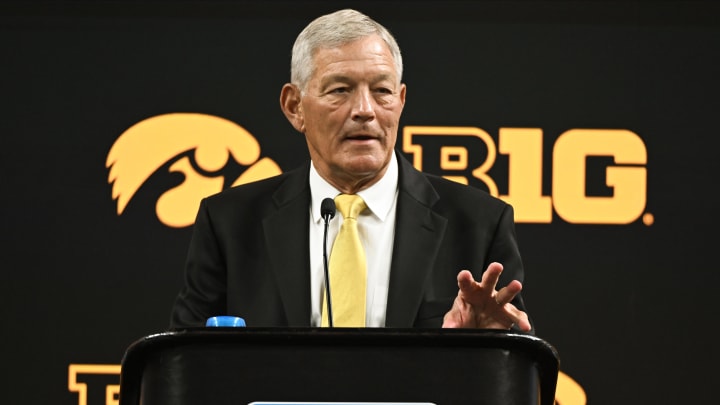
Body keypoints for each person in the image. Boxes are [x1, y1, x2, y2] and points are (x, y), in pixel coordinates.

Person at [170, 8, 532, 332]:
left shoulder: (479, 224)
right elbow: (183, 370)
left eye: (382, 91)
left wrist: (483, 349)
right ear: (294, 106)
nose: (365, 109)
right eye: (340, 90)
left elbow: (512, 374)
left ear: (401, 101)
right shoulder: (230, 224)